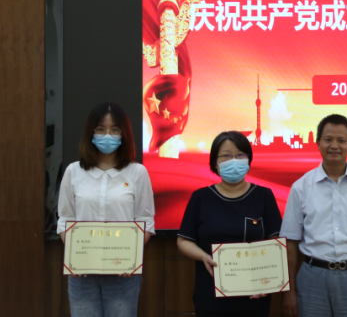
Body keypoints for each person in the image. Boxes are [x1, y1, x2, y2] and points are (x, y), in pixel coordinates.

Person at [280, 114, 347, 317]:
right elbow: (291, 241)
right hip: (312, 278)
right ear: (318, 143)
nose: (334, 146)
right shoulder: (301, 187)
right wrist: (290, 291)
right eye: (328, 139)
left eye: (341, 140)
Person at [57, 102, 155, 317]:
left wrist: (130, 257)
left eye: (115, 129)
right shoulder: (73, 172)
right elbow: (65, 220)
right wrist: (77, 256)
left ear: (124, 134)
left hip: (123, 275)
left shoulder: (137, 173)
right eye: (100, 129)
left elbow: (145, 222)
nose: (107, 135)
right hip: (82, 275)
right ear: (90, 133)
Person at [177, 131, 282, 317]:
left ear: (248, 160)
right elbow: (184, 241)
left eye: (240, 155)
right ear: (215, 163)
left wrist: (268, 280)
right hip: (211, 296)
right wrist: (203, 256)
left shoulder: (264, 196)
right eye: (226, 156)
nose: (234, 160)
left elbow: (275, 242)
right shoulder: (200, 197)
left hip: (254, 295)